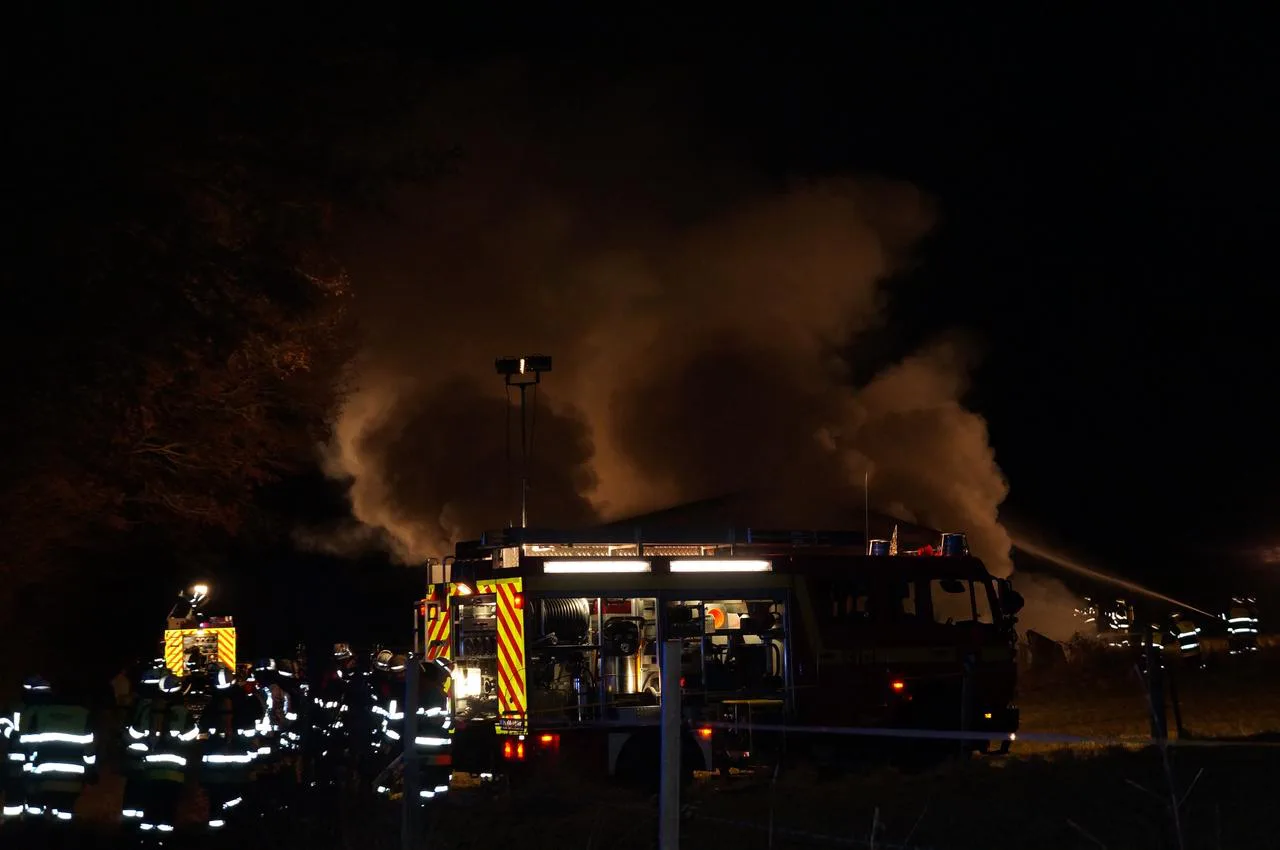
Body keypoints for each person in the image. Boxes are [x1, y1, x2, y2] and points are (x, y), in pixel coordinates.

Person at [14, 675, 97, 824]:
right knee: (64, 817)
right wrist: (89, 771)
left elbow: (29, 744)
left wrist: (28, 770)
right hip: (72, 780)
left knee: (35, 815)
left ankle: (33, 834)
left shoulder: (42, 712)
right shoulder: (84, 715)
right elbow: (89, 750)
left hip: (42, 777)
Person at [200, 665, 260, 831]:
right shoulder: (245, 703)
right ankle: (236, 828)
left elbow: (202, 729)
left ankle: (215, 831)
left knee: (216, 801)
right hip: (239, 764)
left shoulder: (212, 704)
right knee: (238, 797)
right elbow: (251, 731)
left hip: (214, 766)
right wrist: (252, 757)